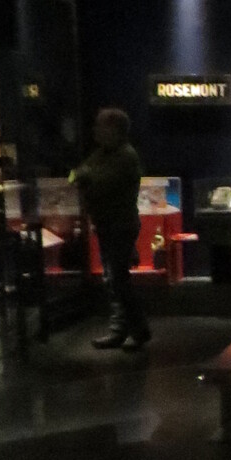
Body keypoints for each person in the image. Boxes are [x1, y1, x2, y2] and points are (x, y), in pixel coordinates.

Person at [74, 107, 150, 350]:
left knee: (119, 280)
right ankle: (121, 329)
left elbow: (100, 184)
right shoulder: (101, 155)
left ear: (114, 130)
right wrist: (83, 177)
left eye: (101, 126)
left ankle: (138, 330)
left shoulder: (126, 156)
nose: (95, 130)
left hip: (121, 226)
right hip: (108, 225)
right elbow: (74, 176)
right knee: (112, 279)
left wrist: (86, 178)